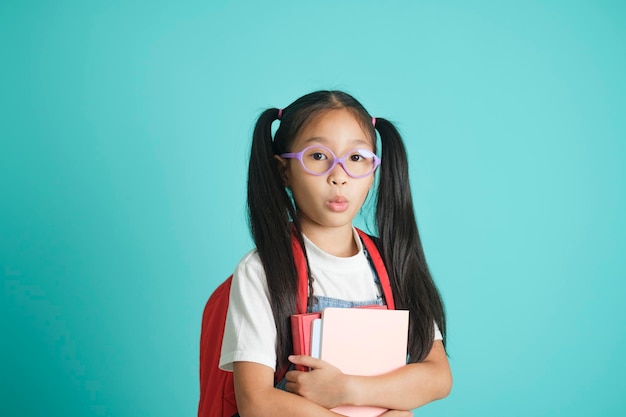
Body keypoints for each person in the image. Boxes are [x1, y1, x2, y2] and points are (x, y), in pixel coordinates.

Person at [219, 90, 451, 416]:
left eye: (356, 158)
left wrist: (347, 389)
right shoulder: (263, 269)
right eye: (317, 156)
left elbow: (438, 376)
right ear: (283, 171)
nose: (339, 176)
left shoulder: (394, 262)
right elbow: (256, 402)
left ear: (373, 173)